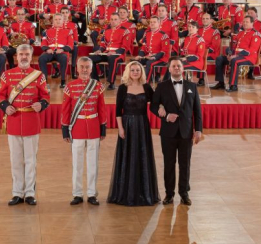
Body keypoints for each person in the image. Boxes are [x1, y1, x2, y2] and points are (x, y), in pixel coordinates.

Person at [0, 44, 49, 205]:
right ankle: (17, 192)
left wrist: (42, 104)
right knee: (16, 159)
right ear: (16, 57)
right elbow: (0, 96)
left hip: (31, 121)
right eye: (21, 54)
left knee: (31, 160)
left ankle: (30, 193)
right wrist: (6, 107)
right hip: (13, 121)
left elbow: (45, 96)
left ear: (31, 56)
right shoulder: (7, 75)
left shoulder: (38, 76)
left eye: (27, 54)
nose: (24, 57)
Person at [151, 57, 203, 206]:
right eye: (173, 66)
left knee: (185, 164)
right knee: (169, 164)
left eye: (179, 66)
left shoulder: (192, 86)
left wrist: (198, 130)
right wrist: (166, 115)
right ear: (169, 69)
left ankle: (184, 193)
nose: (176, 68)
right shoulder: (161, 87)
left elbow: (197, 111)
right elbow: (153, 106)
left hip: (186, 132)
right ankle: (169, 193)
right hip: (168, 132)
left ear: (183, 68)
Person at [108, 61, 159, 206]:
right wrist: (120, 128)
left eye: (138, 70)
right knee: (127, 156)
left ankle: (143, 192)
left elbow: (156, 102)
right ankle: (126, 193)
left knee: (142, 156)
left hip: (142, 125)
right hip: (127, 125)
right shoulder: (123, 88)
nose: (135, 72)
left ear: (141, 72)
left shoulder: (147, 87)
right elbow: (118, 111)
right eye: (133, 70)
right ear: (128, 72)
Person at [61, 57, 107, 206]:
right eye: (82, 67)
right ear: (77, 68)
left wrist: (103, 128)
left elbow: (101, 108)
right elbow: (66, 110)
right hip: (77, 127)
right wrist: (65, 130)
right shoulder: (70, 86)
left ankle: (92, 194)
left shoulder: (98, 86)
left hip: (93, 127)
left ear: (91, 69)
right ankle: (77, 194)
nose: (85, 69)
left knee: (93, 163)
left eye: (87, 67)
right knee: (77, 163)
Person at [89, 12, 133, 90]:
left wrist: (114, 52)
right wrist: (99, 50)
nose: (113, 21)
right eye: (112, 19)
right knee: (91, 58)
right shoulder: (106, 31)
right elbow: (103, 44)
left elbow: (125, 47)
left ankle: (111, 82)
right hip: (106, 53)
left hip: (118, 55)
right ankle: (95, 81)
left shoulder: (125, 31)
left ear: (119, 20)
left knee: (112, 58)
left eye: (115, 19)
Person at [39, 13, 73, 88]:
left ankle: (63, 81)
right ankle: (45, 82)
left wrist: (62, 49)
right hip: (50, 52)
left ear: (63, 20)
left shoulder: (68, 31)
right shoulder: (46, 31)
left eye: (59, 19)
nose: (58, 21)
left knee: (64, 58)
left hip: (62, 52)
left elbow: (70, 45)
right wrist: (47, 49)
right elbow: (43, 43)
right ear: (52, 21)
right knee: (41, 58)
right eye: (56, 19)